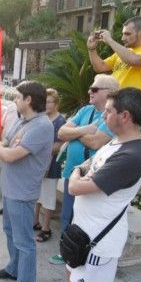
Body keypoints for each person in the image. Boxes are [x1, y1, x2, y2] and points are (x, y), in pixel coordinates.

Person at [36, 88, 141, 282]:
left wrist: (77, 173)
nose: (103, 116)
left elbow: (77, 185)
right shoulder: (117, 142)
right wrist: (80, 172)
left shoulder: (133, 155)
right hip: (83, 231)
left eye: (108, 111)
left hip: (100, 239)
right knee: (74, 277)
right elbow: (89, 164)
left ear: (125, 116)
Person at [0, 81, 53, 282]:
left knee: (24, 241)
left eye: (18, 96)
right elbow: (6, 140)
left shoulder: (42, 126)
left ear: (29, 99)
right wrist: (2, 148)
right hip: (10, 187)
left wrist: (1, 150)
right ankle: (13, 269)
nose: (15, 100)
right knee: (9, 231)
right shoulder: (21, 119)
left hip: (23, 191)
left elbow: (13, 154)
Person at [49, 74, 119, 265]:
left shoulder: (111, 115)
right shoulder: (86, 110)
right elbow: (62, 131)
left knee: (84, 216)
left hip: (91, 177)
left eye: (95, 89)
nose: (89, 91)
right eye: (90, 88)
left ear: (110, 93)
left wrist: (75, 133)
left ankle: (81, 254)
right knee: (67, 214)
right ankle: (67, 251)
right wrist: (84, 130)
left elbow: (97, 141)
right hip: (71, 173)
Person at [87, 16, 141, 92]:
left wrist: (110, 40)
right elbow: (100, 67)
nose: (123, 38)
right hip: (113, 99)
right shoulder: (124, 51)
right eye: (123, 34)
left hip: (130, 101)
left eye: (127, 34)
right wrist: (92, 49)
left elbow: (133, 60)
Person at [33, 88, 66, 242]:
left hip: (52, 165)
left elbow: (59, 146)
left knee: (48, 197)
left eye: (49, 102)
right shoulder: (42, 118)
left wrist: (38, 147)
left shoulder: (60, 121)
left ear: (56, 104)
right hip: (38, 164)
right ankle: (35, 222)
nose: (45, 104)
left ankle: (46, 228)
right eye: (44, 101)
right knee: (37, 194)